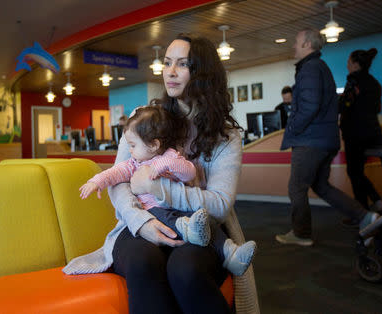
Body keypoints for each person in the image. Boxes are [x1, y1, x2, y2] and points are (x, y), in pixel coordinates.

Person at [63, 33, 259, 314]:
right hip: (139, 220)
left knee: (185, 269)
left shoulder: (225, 137)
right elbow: (120, 181)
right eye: (167, 63)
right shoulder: (144, 119)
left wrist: (158, 189)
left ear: (202, 73)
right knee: (143, 262)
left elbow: (219, 204)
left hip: (198, 227)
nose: (171, 71)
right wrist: (141, 222)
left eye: (182, 64)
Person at [79, 105, 256, 275]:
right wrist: (96, 182)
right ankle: (189, 231)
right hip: (154, 211)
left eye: (133, 145)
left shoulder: (170, 157)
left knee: (208, 223)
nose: (130, 150)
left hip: (180, 207)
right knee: (174, 219)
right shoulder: (133, 164)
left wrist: (164, 164)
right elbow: (115, 173)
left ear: (154, 145)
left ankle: (231, 253)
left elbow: (189, 173)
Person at [275, 29, 379, 247]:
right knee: (321, 186)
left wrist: (293, 127)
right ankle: (365, 217)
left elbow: (310, 105)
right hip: (325, 139)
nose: (293, 46)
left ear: (307, 45)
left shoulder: (310, 69)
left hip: (310, 141)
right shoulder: (319, 67)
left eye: (296, 41)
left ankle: (301, 233)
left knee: (297, 187)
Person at [339, 48, 382, 225]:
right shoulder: (375, 83)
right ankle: (377, 204)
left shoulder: (353, 80)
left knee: (354, 172)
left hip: (355, 133)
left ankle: (363, 213)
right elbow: (377, 109)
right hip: (373, 132)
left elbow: (346, 104)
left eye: (348, 61)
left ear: (354, 64)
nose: (346, 64)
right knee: (357, 173)